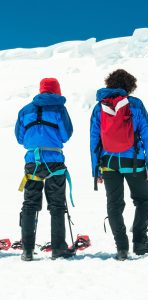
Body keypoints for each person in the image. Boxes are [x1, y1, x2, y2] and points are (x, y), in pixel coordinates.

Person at [90, 69, 148, 261]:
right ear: (129, 86)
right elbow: (147, 135)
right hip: (134, 162)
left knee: (114, 204)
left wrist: (96, 169)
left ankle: (121, 247)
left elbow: (94, 140)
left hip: (109, 163)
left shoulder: (99, 107)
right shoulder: (135, 104)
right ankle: (139, 242)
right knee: (143, 200)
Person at [15, 78, 74, 261]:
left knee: (30, 204)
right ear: (57, 91)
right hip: (54, 161)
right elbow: (66, 135)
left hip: (33, 161)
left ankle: (27, 250)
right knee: (56, 205)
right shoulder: (59, 109)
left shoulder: (25, 110)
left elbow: (20, 138)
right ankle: (58, 249)